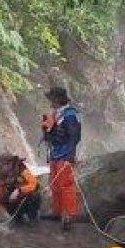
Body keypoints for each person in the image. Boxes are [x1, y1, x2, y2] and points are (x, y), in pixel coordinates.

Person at [41, 86, 81, 231]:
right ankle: (57, 212)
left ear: (57, 99)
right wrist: (45, 129)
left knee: (66, 184)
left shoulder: (70, 114)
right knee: (54, 184)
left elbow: (74, 136)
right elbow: (50, 136)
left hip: (65, 154)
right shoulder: (56, 114)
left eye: (51, 98)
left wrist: (70, 155)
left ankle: (69, 215)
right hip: (55, 153)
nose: (50, 101)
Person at [0, 154, 40, 225]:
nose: (1, 167)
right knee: (2, 197)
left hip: (26, 197)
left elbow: (34, 184)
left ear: (10, 164)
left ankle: (32, 218)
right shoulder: (1, 174)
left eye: (3, 165)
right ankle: (18, 218)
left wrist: (19, 190)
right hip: (15, 200)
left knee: (35, 195)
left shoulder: (22, 169)